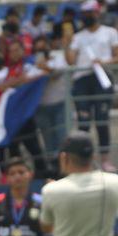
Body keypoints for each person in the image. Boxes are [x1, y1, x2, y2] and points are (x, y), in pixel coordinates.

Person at [0, 45, 48, 178]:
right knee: (12, 149)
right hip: (7, 118)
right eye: (11, 51)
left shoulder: (27, 66)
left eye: (17, 50)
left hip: (25, 115)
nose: (14, 53)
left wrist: (11, 83)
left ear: (23, 52)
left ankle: (42, 174)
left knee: (33, 146)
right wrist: (10, 83)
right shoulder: (4, 71)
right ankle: (14, 176)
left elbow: (37, 76)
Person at [64, 0, 118, 172]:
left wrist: (103, 62)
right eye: (85, 14)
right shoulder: (78, 37)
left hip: (102, 78)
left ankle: (104, 160)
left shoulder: (110, 33)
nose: (88, 16)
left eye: (90, 13)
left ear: (97, 13)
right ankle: (83, 160)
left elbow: (117, 56)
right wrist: (67, 44)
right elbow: (71, 61)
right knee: (84, 122)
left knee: (102, 120)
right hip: (82, 80)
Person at [34, 35, 73, 172]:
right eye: (38, 48)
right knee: (47, 139)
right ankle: (53, 167)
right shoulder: (31, 61)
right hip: (41, 107)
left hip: (60, 103)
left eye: (43, 47)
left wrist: (44, 67)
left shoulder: (59, 57)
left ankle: (65, 165)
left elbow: (57, 73)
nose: (41, 50)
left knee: (62, 136)